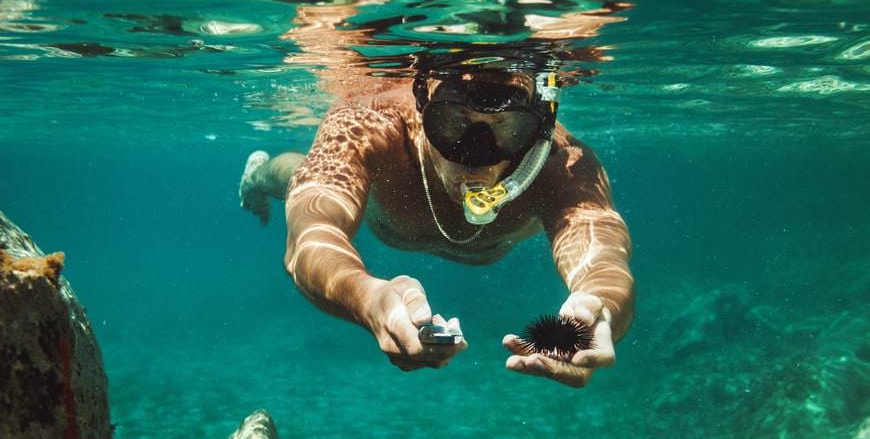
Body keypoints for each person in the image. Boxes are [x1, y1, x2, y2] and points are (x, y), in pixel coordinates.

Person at [239, 67, 634, 388]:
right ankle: (257, 175)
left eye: (507, 128)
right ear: (423, 104)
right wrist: (368, 299)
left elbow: (603, 256)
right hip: (376, 210)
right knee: (301, 184)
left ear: (536, 127)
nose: (476, 157)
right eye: (452, 124)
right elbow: (312, 231)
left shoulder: (562, 164)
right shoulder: (371, 125)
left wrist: (602, 308)